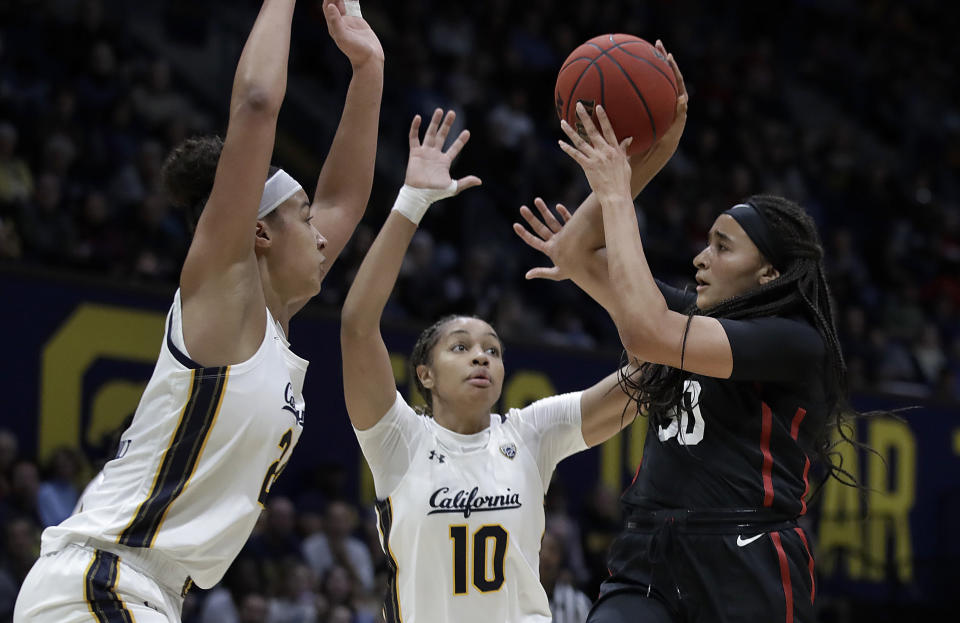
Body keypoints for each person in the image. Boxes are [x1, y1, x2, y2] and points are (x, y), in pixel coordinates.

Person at [14, 1, 383, 621]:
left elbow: (346, 197)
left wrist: (368, 69)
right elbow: (258, 104)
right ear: (258, 235)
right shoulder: (221, 295)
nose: (322, 234)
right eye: (302, 216)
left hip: (145, 591)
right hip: (102, 580)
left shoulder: (270, 325)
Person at [516, 41, 851, 623]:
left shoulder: (794, 341)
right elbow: (574, 251)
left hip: (743, 561)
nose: (700, 258)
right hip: (649, 554)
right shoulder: (685, 322)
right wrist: (656, 150)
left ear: (769, 271)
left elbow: (648, 334)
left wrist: (619, 193)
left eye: (721, 247)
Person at [339, 108, 641, 622]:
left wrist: (594, 267)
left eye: (494, 349)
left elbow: (643, 380)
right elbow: (357, 325)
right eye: (461, 346)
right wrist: (412, 201)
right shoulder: (399, 440)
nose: (482, 355)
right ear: (425, 374)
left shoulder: (530, 433)